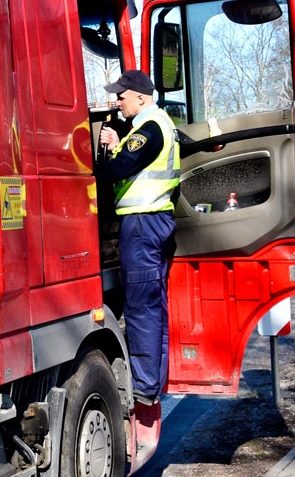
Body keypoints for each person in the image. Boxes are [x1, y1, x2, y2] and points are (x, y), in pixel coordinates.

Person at [95, 70, 180, 407]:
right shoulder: (159, 124)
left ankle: (144, 384)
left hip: (142, 225)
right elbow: (136, 163)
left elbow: (118, 169)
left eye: (122, 95)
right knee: (154, 306)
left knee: (141, 307)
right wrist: (119, 144)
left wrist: (83, 164)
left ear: (141, 97)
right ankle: (153, 380)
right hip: (156, 220)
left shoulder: (149, 128)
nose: (117, 102)